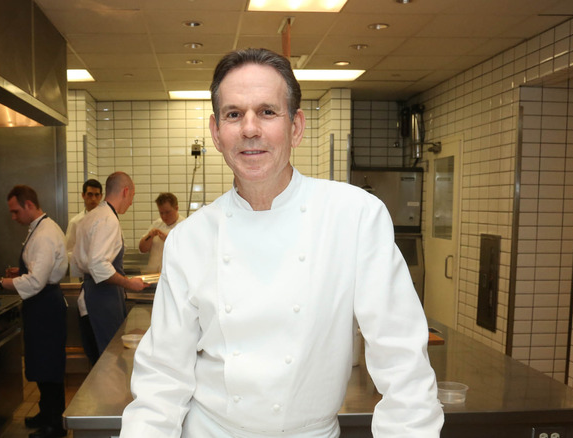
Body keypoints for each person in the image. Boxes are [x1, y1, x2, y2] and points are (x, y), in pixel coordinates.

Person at [121, 48, 444, 437]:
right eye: (234, 114)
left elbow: (402, 364)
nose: (250, 129)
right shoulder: (189, 239)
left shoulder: (354, 217)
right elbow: (163, 377)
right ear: (216, 132)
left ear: (296, 128)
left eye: (267, 112)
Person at [0, 185, 67, 438]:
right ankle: (46, 413)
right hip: (41, 305)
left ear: (29, 205)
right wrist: (21, 273)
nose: (13, 217)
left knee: (49, 365)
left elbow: (36, 283)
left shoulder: (44, 234)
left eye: (15, 211)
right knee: (42, 363)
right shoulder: (39, 228)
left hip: (46, 306)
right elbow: (40, 270)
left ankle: (54, 425)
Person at [72, 171, 147, 357]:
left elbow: (77, 260)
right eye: (132, 196)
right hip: (102, 298)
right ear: (125, 191)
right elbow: (98, 265)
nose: (131, 202)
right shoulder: (108, 219)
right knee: (110, 357)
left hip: (93, 293)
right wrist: (129, 283)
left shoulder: (92, 215)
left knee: (100, 355)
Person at [65, 178, 103, 366]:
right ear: (83, 196)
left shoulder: (108, 219)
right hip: (84, 280)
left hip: (103, 283)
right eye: (90, 194)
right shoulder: (76, 222)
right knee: (89, 337)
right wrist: (85, 258)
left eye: (97, 195)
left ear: (101, 196)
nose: (93, 199)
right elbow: (68, 250)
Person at [137, 192, 185, 273]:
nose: (164, 216)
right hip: (153, 276)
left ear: (176, 208)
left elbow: (187, 254)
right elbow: (142, 249)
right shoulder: (157, 224)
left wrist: (169, 240)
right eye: (161, 213)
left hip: (172, 278)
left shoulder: (184, 226)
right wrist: (149, 236)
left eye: (167, 212)